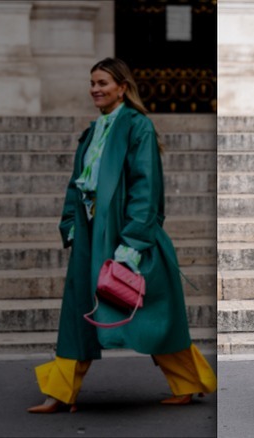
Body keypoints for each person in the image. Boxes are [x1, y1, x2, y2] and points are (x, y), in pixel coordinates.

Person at [27, 57, 217, 413]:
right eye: (92, 83)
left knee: (151, 312)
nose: (95, 89)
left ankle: (188, 382)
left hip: (126, 233)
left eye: (103, 83)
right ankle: (60, 393)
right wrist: (70, 223)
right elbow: (77, 183)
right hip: (89, 231)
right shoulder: (93, 129)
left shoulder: (137, 126)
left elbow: (147, 187)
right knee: (79, 311)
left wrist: (132, 243)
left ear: (122, 88)